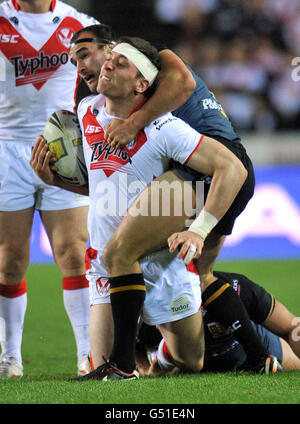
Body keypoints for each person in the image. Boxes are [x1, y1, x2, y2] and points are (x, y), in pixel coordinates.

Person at [31, 35, 271, 381]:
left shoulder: (163, 125)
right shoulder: (87, 111)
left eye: (110, 58)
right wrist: (55, 181)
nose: (100, 65)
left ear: (143, 81)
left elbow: (231, 167)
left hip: (183, 220)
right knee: (116, 265)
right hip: (107, 263)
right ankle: (125, 364)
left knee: (192, 360)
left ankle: (262, 351)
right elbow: (103, 187)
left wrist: (198, 229)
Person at [0, 0, 101, 378]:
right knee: (9, 259)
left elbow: (104, 77)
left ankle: (87, 353)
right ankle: (10, 357)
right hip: (6, 147)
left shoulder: (82, 25)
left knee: (74, 254)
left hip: (64, 147)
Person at [135, 270, 300, 375]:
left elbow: (292, 326)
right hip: (190, 365)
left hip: (248, 347)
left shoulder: (235, 288)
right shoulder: (146, 310)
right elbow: (135, 351)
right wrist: (148, 371)